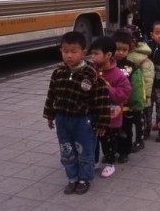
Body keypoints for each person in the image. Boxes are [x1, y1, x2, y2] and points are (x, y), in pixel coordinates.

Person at [43, 31, 109, 195]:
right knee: (66, 149)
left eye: (74, 51)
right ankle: (72, 177)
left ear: (83, 53)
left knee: (85, 150)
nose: (69, 56)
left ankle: (84, 178)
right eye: (65, 51)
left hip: (82, 121)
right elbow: (52, 94)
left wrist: (102, 123)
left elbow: (101, 100)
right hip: (62, 120)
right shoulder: (58, 72)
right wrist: (50, 115)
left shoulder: (91, 75)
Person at [90, 36, 131, 178]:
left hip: (111, 116)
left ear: (108, 55)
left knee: (109, 141)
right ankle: (93, 161)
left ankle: (109, 162)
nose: (93, 57)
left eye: (96, 53)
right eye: (92, 53)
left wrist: (109, 89)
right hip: (94, 113)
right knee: (92, 139)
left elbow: (125, 93)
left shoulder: (118, 74)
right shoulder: (91, 70)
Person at [112, 30, 145, 164]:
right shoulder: (105, 65)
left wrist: (136, 105)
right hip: (109, 108)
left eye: (124, 50)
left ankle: (124, 152)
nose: (121, 52)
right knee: (111, 132)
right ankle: (111, 151)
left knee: (125, 131)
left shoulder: (132, 67)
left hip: (126, 108)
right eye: (118, 49)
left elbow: (136, 87)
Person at [126, 28, 154, 146]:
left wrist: (146, 94)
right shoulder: (121, 55)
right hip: (126, 93)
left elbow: (148, 77)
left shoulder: (142, 57)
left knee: (141, 116)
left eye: (131, 39)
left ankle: (141, 137)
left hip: (140, 92)